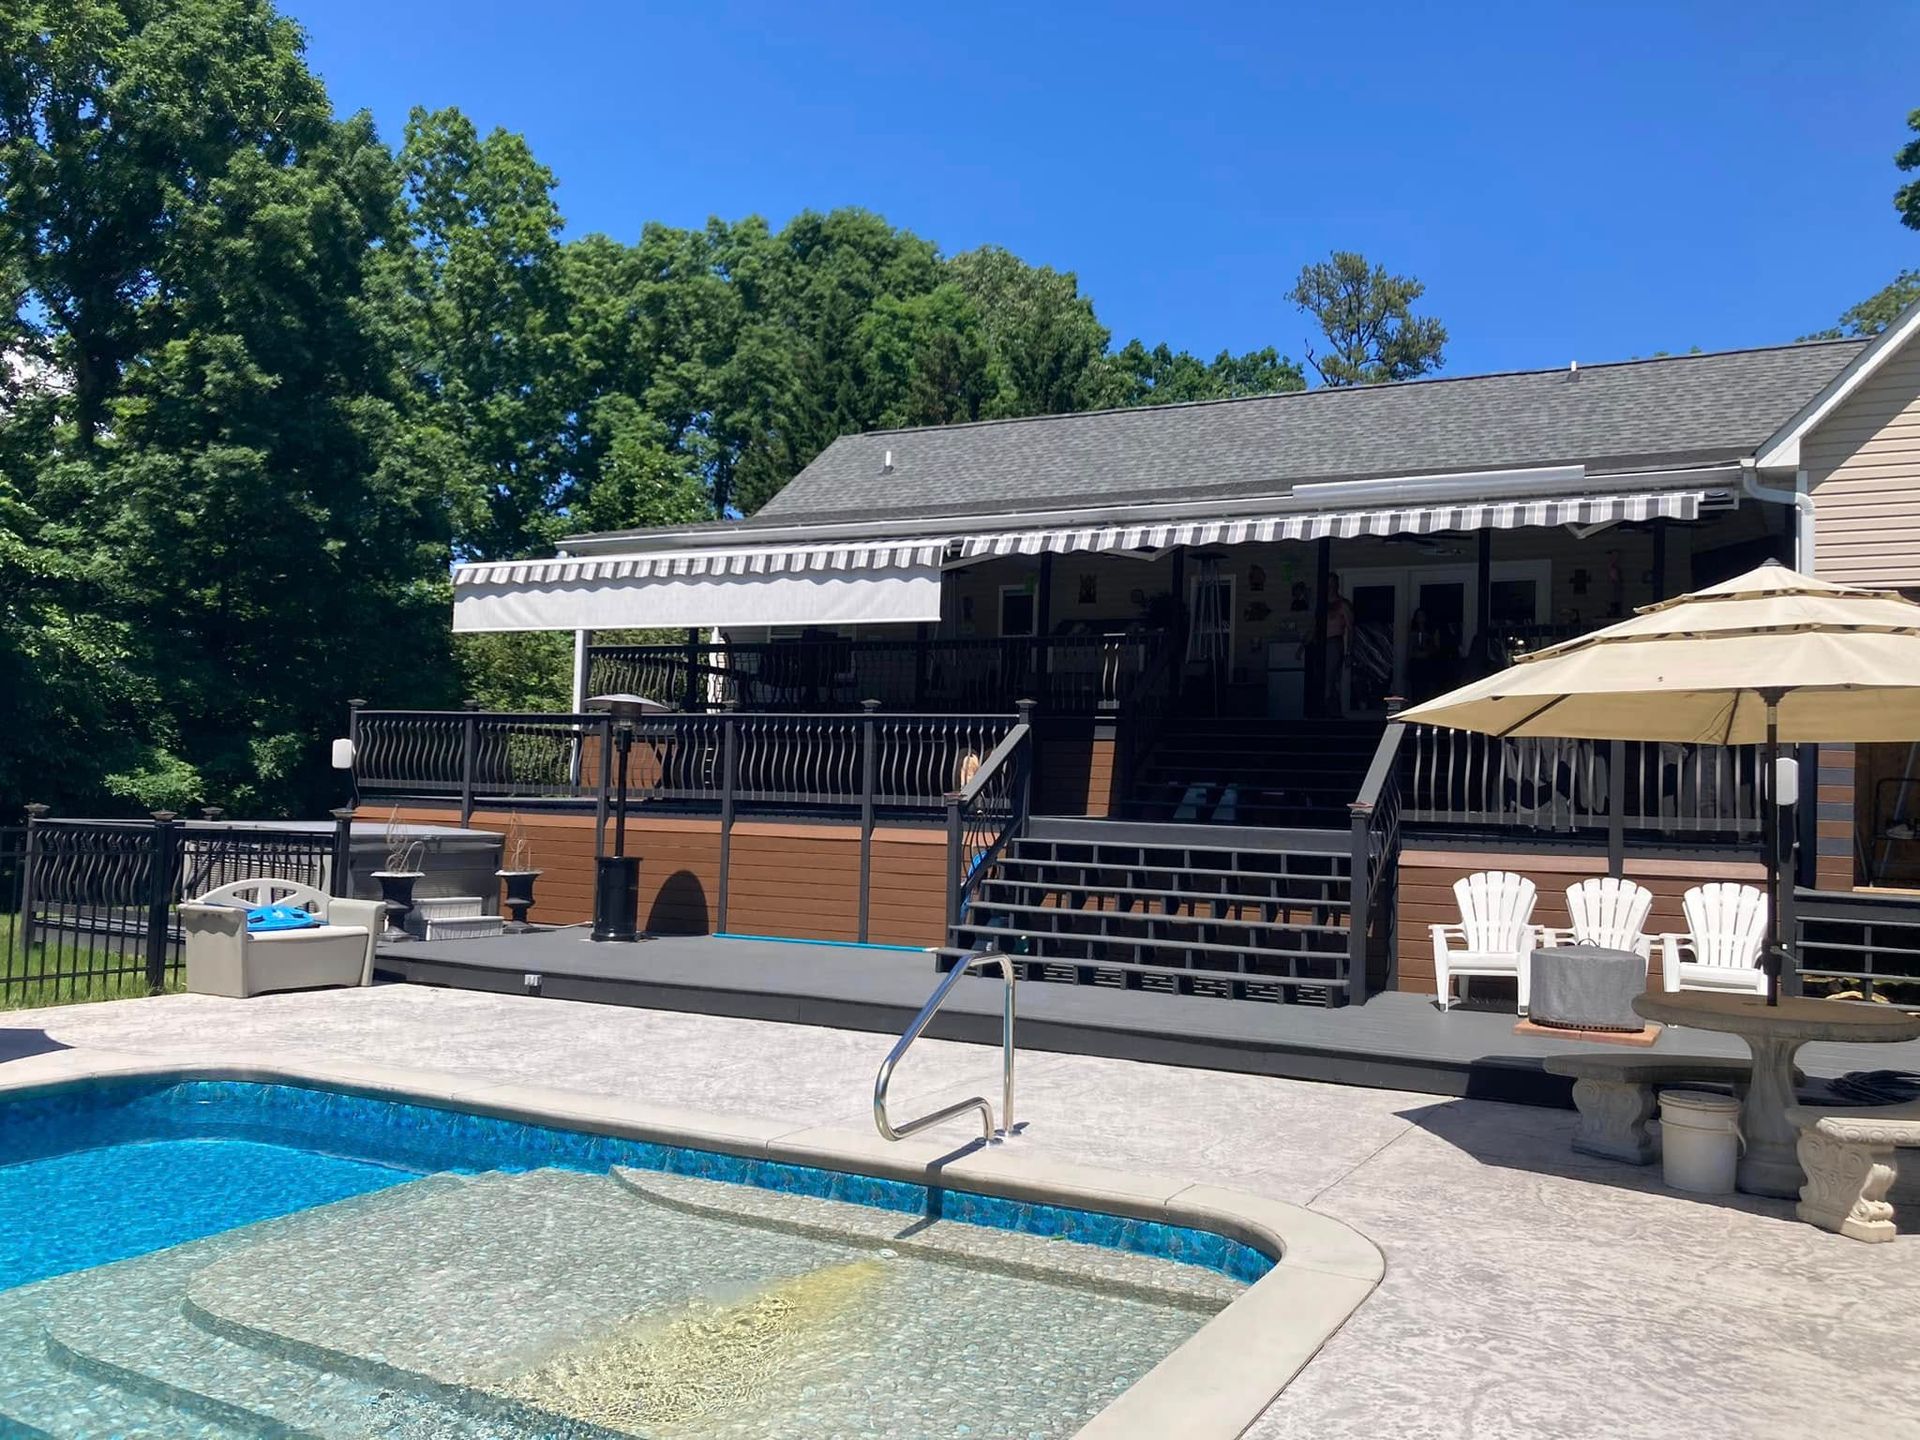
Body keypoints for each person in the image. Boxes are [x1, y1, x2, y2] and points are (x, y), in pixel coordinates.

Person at [1323, 575, 1352, 714]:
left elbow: (1351, 628)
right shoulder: (1321, 604)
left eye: (1332, 584)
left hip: (1334, 642)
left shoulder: (1342, 604)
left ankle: (1332, 713)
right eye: (1327, 584)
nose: (1330, 587)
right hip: (1320, 643)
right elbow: (1314, 626)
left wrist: (1349, 652)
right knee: (1322, 679)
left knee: (1330, 678)